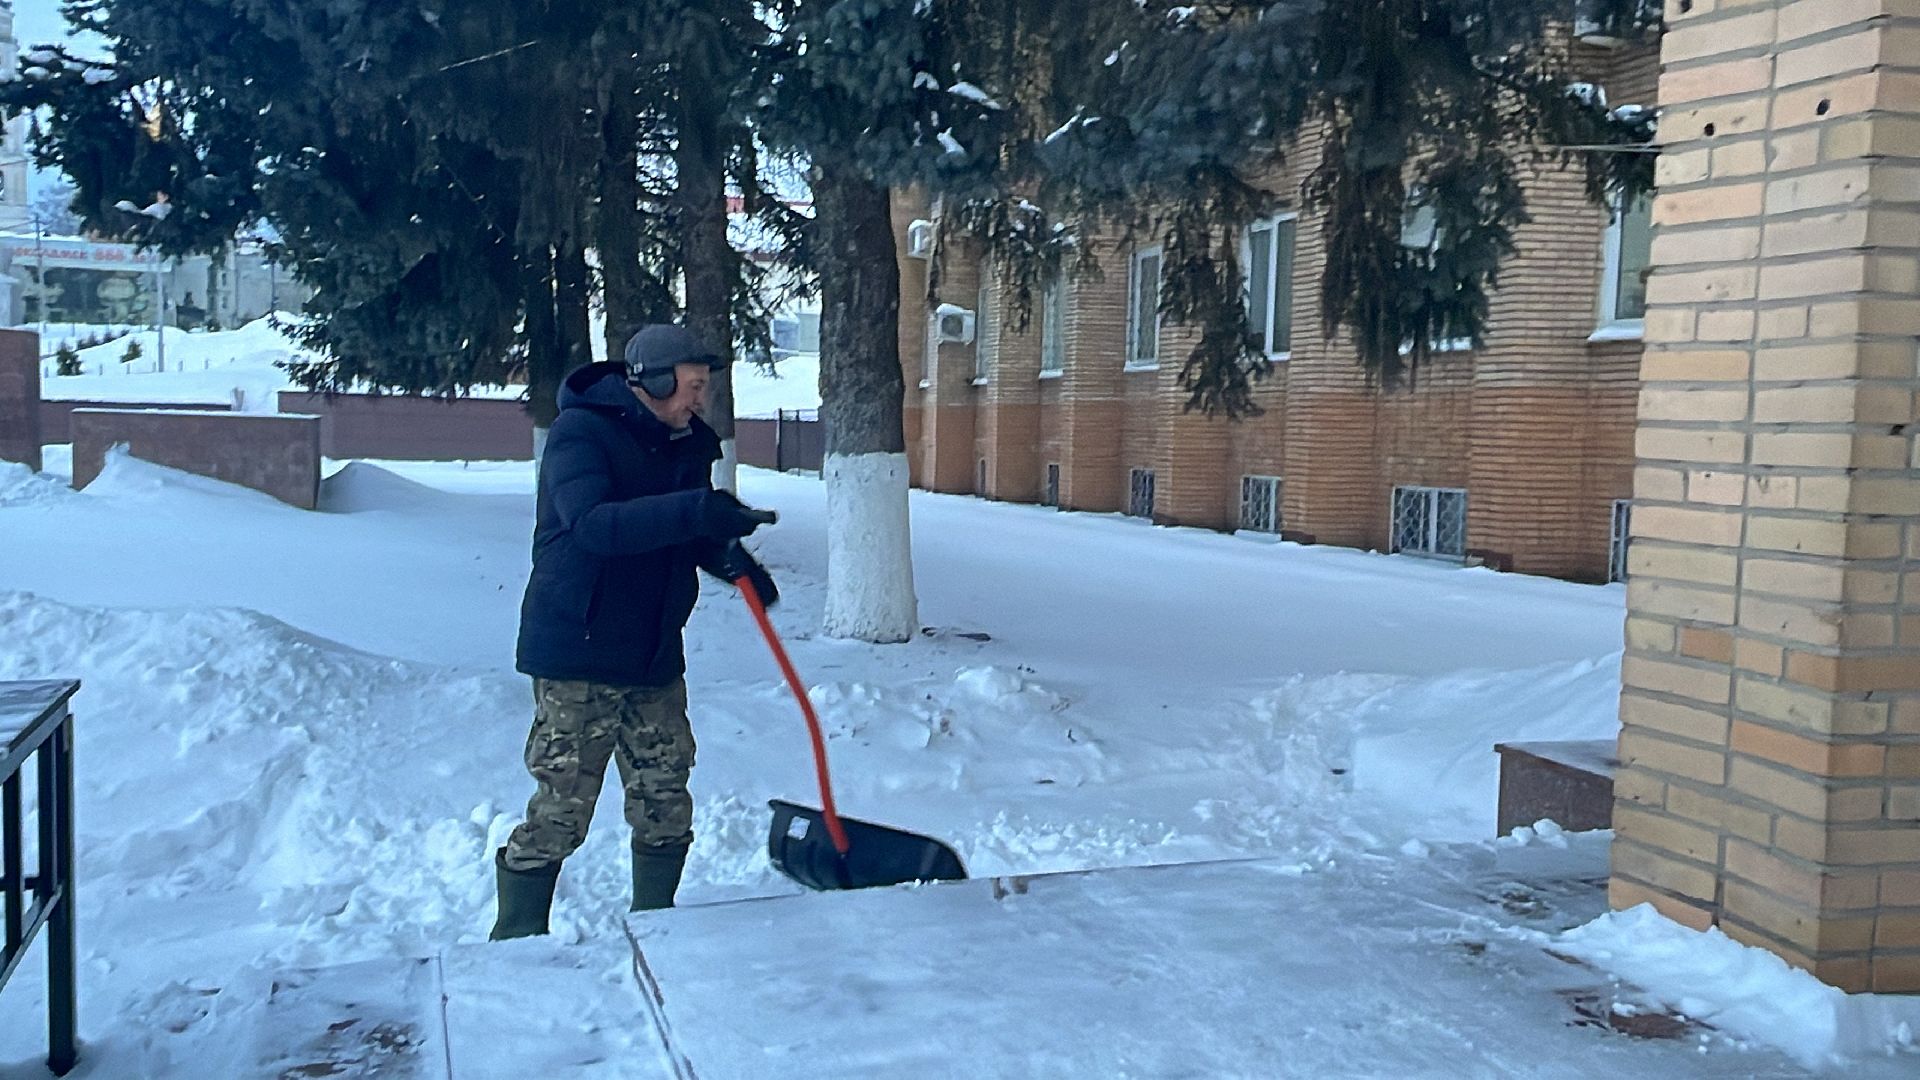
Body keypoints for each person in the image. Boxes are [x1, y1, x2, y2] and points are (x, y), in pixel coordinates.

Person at [491, 323, 780, 940]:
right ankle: (515, 936)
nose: (700, 399)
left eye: (704, 387)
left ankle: (657, 928)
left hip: (652, 651)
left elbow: (677, 529)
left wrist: (728, 557)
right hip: (580, 649)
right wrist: (696, 511)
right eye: (692, 385)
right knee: (562, 809)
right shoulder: (581, 432)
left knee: (665, 797)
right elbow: (594, 525)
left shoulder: (688, 444)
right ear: (654, 380)